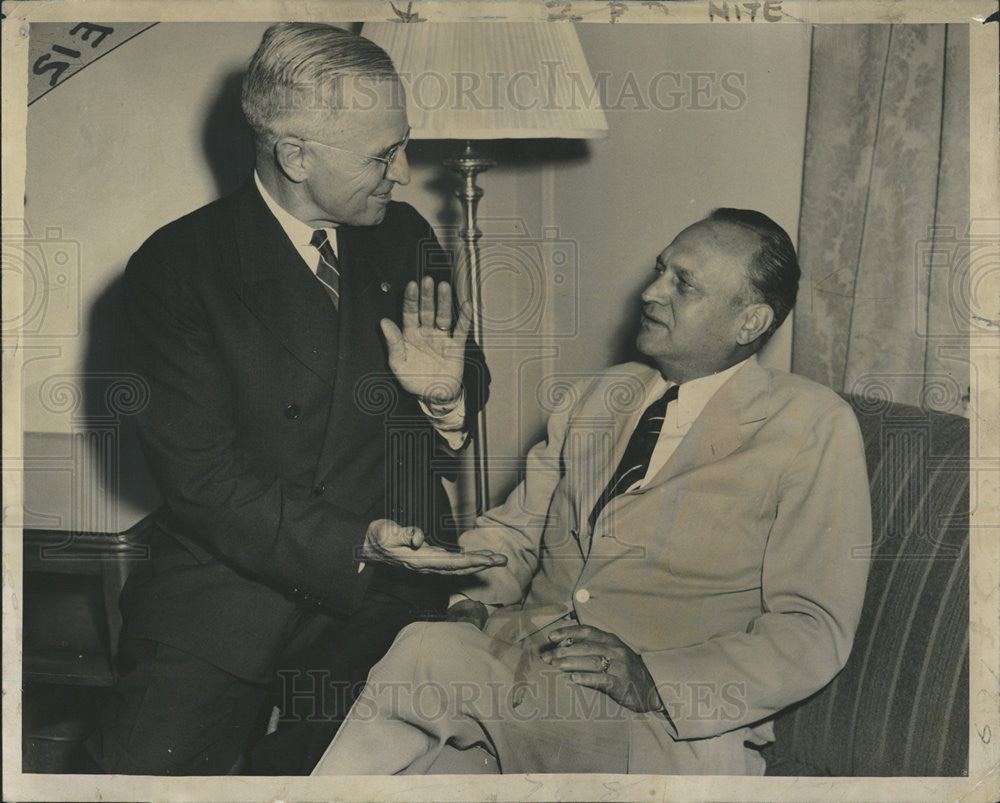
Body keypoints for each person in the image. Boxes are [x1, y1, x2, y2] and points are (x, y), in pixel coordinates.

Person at [311, 208, 873, 776]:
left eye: (684, 283)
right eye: (661, 270)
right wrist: (467, 604)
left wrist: (655, 683)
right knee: (421, 763)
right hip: (525, 682)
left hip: (659, 732)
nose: (651, 292)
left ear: (749, 321)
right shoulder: (594, 397)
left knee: (423, 654)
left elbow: (813, 628)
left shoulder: (810, 424)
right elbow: (514, 533)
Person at [84, 23, 503, 775]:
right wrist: (355, 539)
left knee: (362, 772)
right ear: (295, 155)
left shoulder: (401, 235)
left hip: (382, 588)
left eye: (402, 145)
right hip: (227, 584)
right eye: (382, 154)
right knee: (142, 774)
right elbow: (203, 483)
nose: (404, 172)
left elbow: (463, 377)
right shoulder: (176, 268)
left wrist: (447, 398)